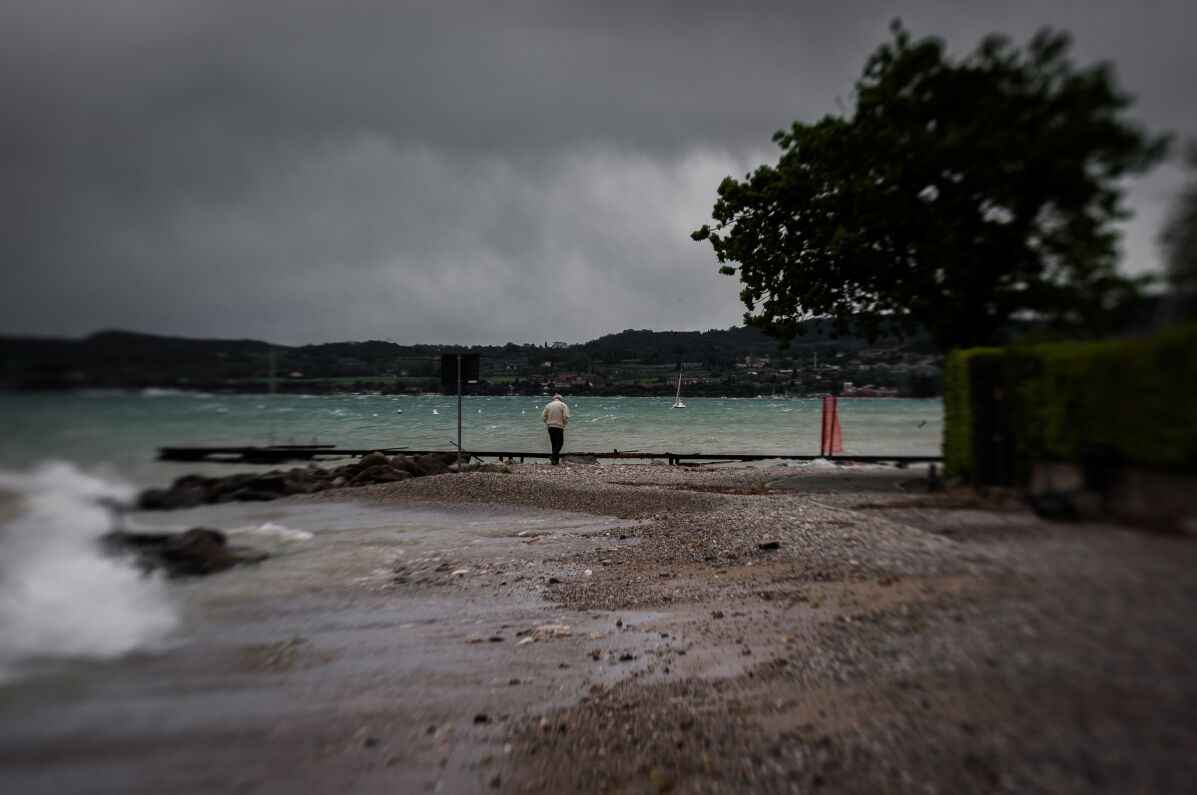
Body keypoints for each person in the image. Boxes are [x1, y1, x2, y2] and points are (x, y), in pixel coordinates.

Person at [541, 393, 570, 465]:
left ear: (554, 399)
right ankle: (553, 456)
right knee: (560, 444)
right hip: (559, 427)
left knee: (554, 444)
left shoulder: (548, 405)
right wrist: (564, 423)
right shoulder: (563, 405)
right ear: (561, 399)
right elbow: (566, 416)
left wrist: (547, 422)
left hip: (550, 427)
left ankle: (555, 462)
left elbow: (543, 417)